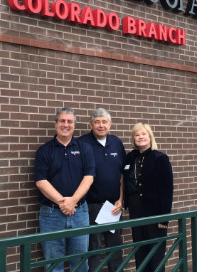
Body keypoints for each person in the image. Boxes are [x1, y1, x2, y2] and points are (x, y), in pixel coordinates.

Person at [34, 107, 95, 272]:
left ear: (74, 125)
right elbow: (41, 181)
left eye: (69, 121)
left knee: (81, 263)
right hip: (51, 215)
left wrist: (73, 201)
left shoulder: (84, 148)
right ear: (56, 124)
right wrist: (64, 203)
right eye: (62, 121)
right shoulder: (44, 151)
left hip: (80, 213)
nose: (65, 125)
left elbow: (89, 177)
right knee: (54, 265)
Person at [78, 108, 126, 272]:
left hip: (113, 206)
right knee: (93, 250)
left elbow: (122, 174)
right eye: (97, 122)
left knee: (115, 248)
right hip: (91, 206)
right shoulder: (82, 143)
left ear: (110, 124)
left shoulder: (117, 142)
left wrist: (121, 199)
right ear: (90, 124)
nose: (101, 125)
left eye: (104, 122)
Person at [123, 123, 174, 272]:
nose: (140, 137)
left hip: (154, 213)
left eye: (143, 134)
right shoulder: (130, 157)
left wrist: (164, 219)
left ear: (150, 137)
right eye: (137, 135)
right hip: (135, 212)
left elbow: (167, 190)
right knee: (140, 251)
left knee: (156, 253)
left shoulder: (160, 158)